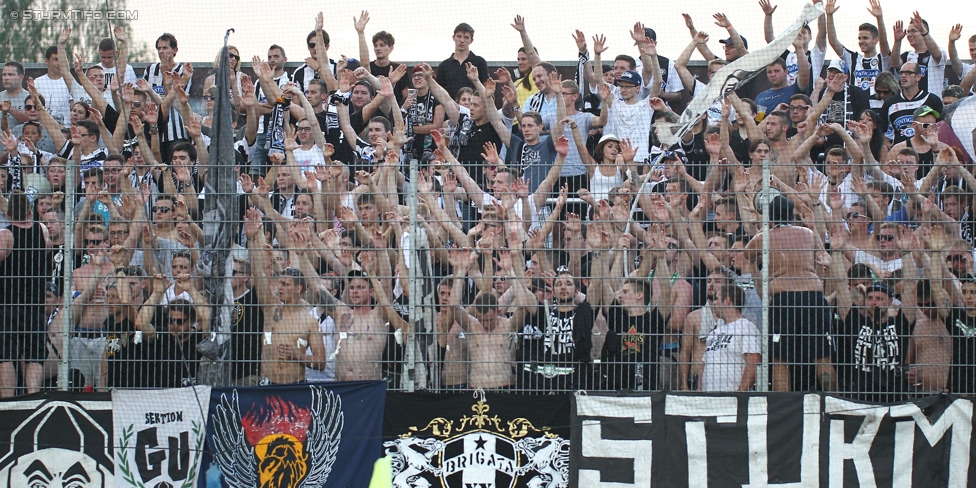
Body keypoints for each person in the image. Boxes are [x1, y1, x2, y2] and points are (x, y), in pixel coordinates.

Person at [745, 196, 835, 392]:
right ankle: (832, 402)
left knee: (780, 359)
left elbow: (747, 253)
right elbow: (819, 253)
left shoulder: (765, 237)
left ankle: (782, 408)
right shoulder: (808, 233)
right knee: (822, 356)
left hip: (784, 299)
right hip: (813, 298)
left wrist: (763, 230)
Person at [0, 190, 51, 397]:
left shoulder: (6, 234)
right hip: (35, 304)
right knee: (34, 355)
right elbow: (47, 249)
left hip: (9, 304)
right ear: (30, 211)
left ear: (9, 214)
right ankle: (33, 396)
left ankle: (7, 401)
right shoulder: (42, 230)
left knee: (6, 355)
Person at [824, 0, 891, 108]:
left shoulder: (882, 59)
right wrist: (829, 15)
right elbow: (833, 41)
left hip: (879, 108)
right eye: (859, 38)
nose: (861, 41)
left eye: (865, 38)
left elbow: (884, 42)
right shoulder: (853, 58)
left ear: (876, 40)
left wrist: (879, 18)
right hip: (857, 109)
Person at [701, 284, 761, 391]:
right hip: (708, 400)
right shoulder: (713, 333)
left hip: (732, 399)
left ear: (727, 301)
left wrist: (739, 395)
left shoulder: (746, 328)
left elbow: (753, 364)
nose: (713, 303)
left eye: (717, 299)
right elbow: (704, 365)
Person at [881, 62, 944, 145]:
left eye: (908, 73)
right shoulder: (890, 103)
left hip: (927, 151)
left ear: (918, 77)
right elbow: (880, 130)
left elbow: (941, 128)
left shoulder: (932, 100)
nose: (903, 75)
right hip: (900, 153)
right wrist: (890, 147)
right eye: (901, 73)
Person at [891, 12, 947, 99]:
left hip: (931, 104)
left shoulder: (935, 51)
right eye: (908, 32)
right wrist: (897, 41)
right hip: (909, 103)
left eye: (913, 31)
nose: (909, 34)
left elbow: (937, 55)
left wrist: (923, 31)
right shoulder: (907, 55)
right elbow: (895, 64)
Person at [436, 23, 489, 99]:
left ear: (471, 40)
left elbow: (487, 90)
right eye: (459, 36)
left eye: (466, 37)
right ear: (453, 38)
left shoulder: (479, 62)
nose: (462, 40)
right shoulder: (444, 66)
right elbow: (439, 94)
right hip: (450, 109)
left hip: (474, 108)